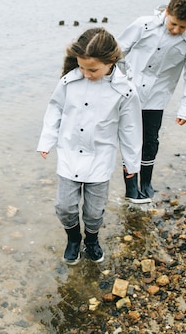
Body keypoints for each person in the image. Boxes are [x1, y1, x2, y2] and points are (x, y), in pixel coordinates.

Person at [37, 28, 142, 265]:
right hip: (69, 153)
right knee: (65, 207)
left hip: (100, 159)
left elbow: (130, 129)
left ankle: (92, 240)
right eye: (82, 67)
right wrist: (47, 140)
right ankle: (73, 238)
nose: (85, 73)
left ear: (111, 61)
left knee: (94, 211)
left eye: (92, 69)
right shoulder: (69, 81)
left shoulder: (124, 90)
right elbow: (55, 108)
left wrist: (131, 162)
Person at [117, 0, 186, 204]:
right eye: (173, 23)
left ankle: (146, 182)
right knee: (130, 140)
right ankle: (131, 187)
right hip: (129, 92)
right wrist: (115, 80)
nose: (176, 30)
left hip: (157, 97)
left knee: (150, 141)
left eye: (182, 27)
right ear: (167, 11)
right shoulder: (143, 25)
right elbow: (117, 52)